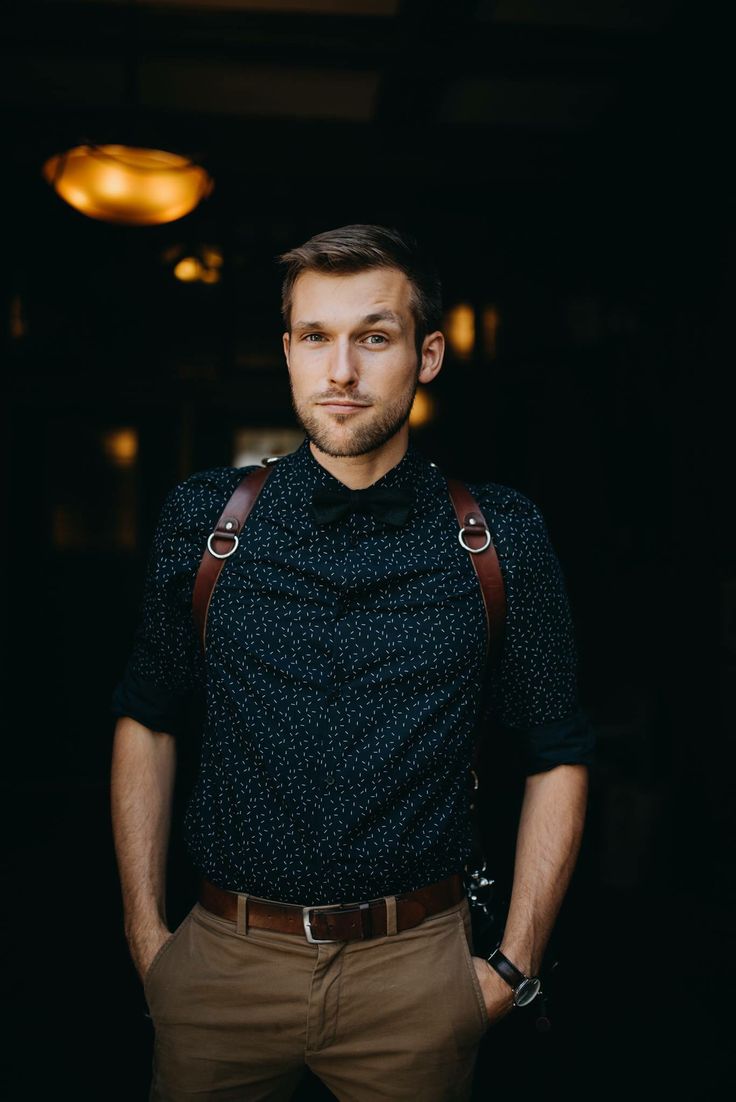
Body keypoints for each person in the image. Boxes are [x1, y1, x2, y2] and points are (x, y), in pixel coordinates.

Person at [110, 224, 595, 1102]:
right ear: (287, 351)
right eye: (315, 338)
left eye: (374, 336)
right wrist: (150, 946)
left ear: (427, 354)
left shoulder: (499, 535)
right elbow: (147, 717)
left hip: (417, 973)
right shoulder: (206, 521)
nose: (341, 371)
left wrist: (512, 965)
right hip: (221, 963)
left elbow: (557, 750)